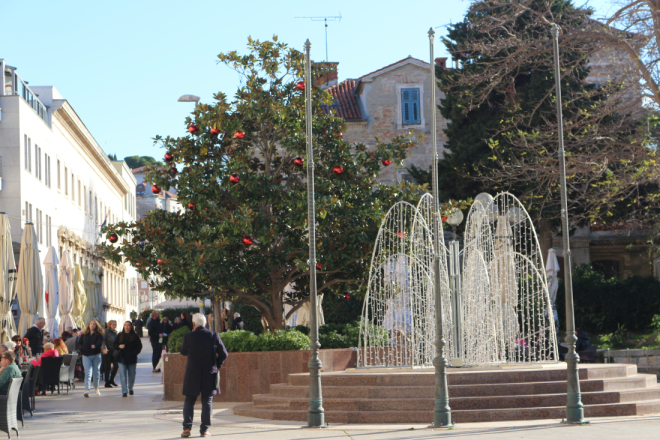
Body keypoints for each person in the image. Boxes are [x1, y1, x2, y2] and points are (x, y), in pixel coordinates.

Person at [179, 313, 228, 438]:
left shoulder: (188, 336)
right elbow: (224, 354)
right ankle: (204, 430)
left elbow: (183, 352)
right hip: (209, 373)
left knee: (189, 400)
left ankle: (187, 428)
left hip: (192, 373)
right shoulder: (213, 335)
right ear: (205, 323)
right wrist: (216, 365)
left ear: (193, 324)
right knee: (207, 400)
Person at [78, 320, 106, 397]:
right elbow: (79, 343)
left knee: (96, 372)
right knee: (88, 373)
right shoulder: (84, 335)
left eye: (94, 324)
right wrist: (82, 349)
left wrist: (95, 345)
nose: (92, 325)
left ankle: (96, 389)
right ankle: (87, 390)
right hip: (86, 355)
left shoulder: (99, 334)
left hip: (96, 355)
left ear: (96, 326)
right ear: (89, 325)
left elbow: (100, 342)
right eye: (91, 324)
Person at [115, 320, 143, 397]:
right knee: (123, 374)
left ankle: (130, 388)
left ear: (131, 327)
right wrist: (119, 346)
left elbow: (139, 346)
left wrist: (134, 353)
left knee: (132, 375)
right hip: (122, 357)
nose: (126, 327)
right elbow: (114, 344)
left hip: (132, 358)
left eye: (128, 325)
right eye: (125, 325)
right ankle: (124, 391)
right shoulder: (120, 335)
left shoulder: (135, 335)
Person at [103, 320, 119, 388]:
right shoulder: (106, 331)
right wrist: (104, 348)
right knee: (108, 367)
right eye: (113, 324)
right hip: (108, 350)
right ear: (109, 325)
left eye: (115, 324)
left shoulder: (115, 332)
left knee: (116, 365)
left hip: (114, 351)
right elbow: (102, 340)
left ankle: (112, 380)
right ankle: (107, 382)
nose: (114, 325)